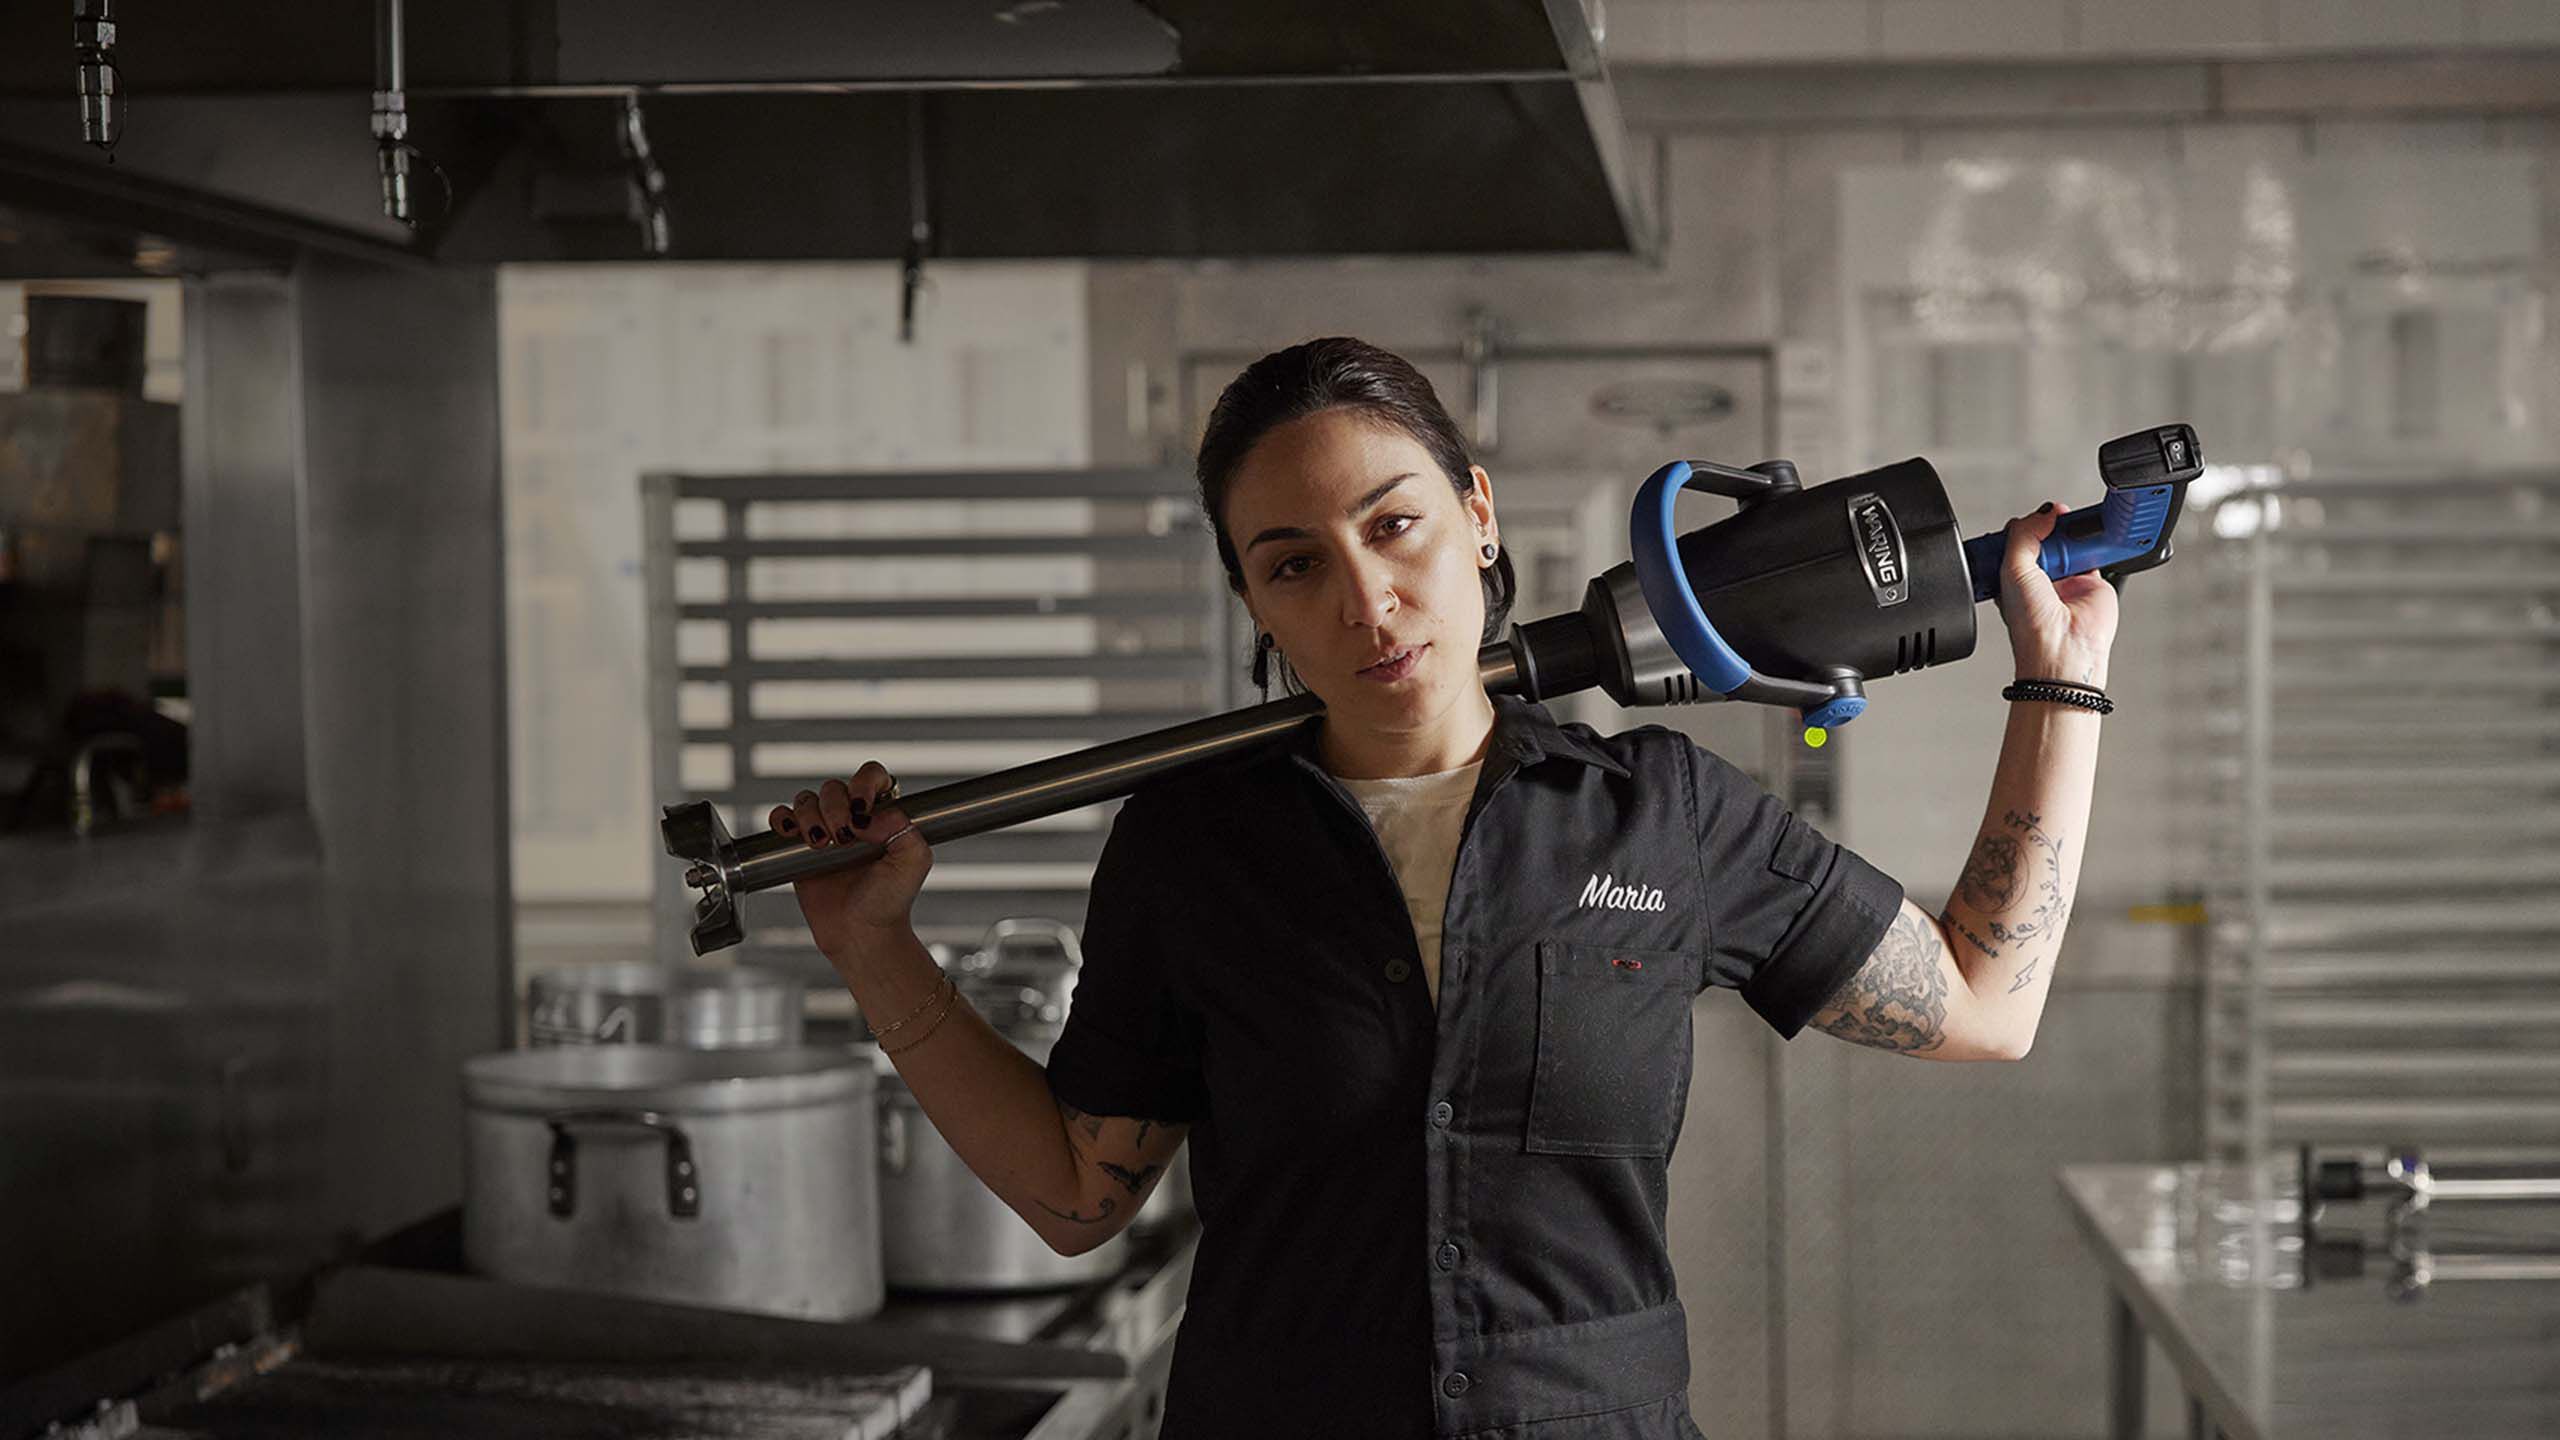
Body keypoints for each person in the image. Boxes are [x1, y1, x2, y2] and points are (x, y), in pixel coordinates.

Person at [775, 337, 2117, 1439]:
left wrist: (2059, 679)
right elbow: (1080, 1193)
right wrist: (873, 950)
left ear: (1476, 517)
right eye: (1296, 564)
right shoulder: (1193, 850)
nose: (1367, 601)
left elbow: (1983, 999)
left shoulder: (1662, 816)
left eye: (1394, 525)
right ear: (1257, 605)